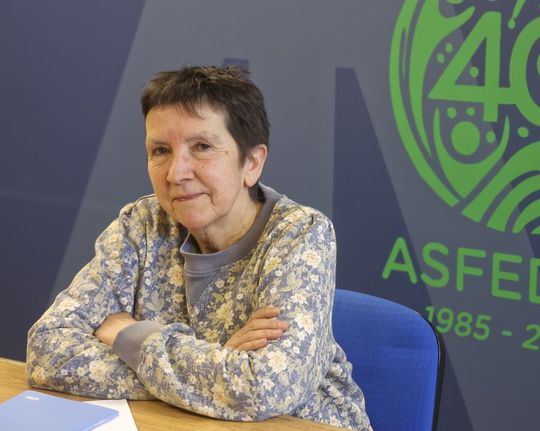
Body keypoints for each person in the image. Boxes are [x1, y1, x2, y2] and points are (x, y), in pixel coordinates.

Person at [26, 65, 372, 431]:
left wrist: (131, 337)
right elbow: (46, 352)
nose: (176, 173)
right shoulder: (141, 224)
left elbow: (264, 389)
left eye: (202, 147)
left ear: (252, 163)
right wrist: (221, 363)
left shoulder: (300, 232)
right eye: (161, 150)